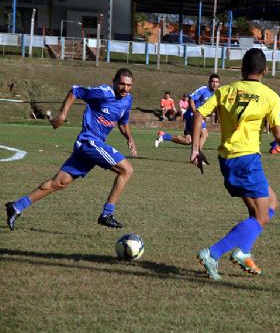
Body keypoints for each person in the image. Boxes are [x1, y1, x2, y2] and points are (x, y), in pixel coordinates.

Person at [190, 49, 280, 280]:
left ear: (241, 69)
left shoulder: (226, 90)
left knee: (268, 203)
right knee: (262, 216)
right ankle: (213, 253)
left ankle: (244, 251)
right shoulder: (270, 96)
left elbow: (199, 115)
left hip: (228, 159)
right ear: (265, 70)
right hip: (247, 160)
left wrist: (196, 149)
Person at [5, 68, 137, 231]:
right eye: (122, 84)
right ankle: (107, 214)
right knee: (127, 170)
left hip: (91, 147)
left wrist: (129, 137)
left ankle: (17, 206)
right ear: (114, 81)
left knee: (59, 183)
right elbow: (75, 90)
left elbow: (123, 123)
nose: (125, 88)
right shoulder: (103, 92)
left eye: (128, 85)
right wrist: (62, 115)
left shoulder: (127, 100)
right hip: (89, 142)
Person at [154, 74, 220, 152]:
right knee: (204, 134)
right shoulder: (203, 89)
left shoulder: (217, 93)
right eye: (213, 82)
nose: (214, 84)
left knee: (188, 140)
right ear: (209, 82)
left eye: (216, 82)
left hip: (195, 116)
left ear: (219, 83)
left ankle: (164, 136)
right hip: (192, 115)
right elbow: (191, 99)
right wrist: (195, 112)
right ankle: (197, 155)